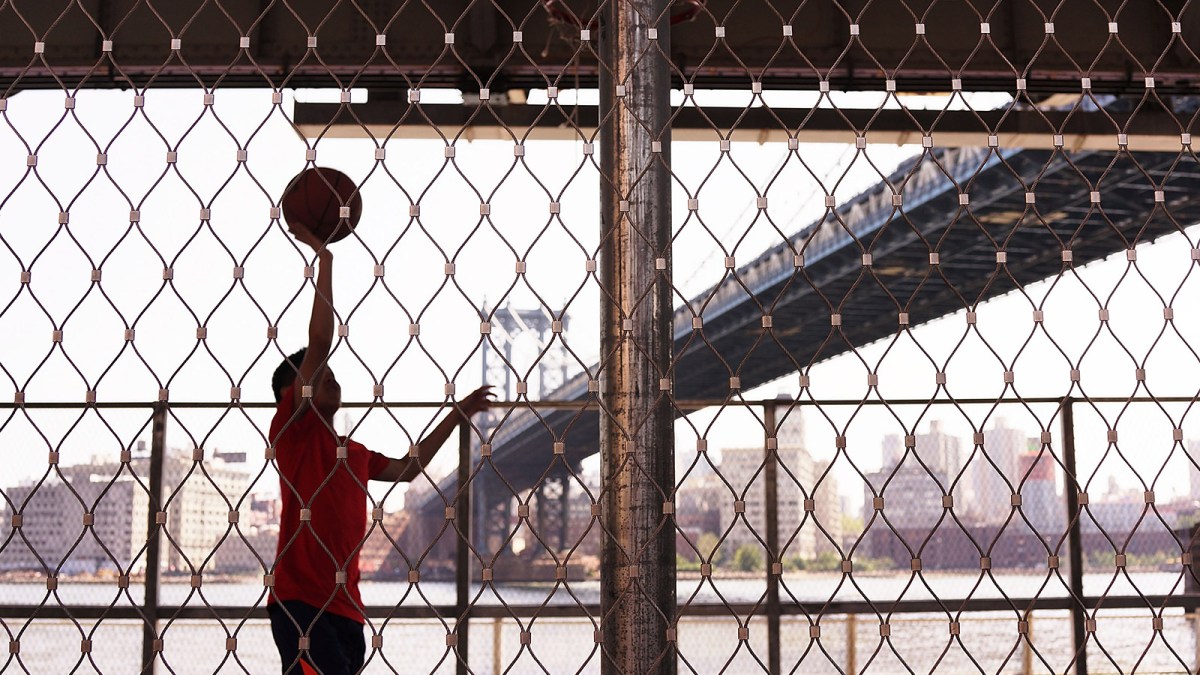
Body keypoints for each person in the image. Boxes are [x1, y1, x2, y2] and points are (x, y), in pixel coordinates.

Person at [267, 220, 493, 675]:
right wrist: (325, 260)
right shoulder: (292, 436)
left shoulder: (354, 452)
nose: (327, 375)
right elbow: (319, 343)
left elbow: (410, 469)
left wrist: (457, 414)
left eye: (330, 373)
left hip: (349, 611)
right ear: (292, 394)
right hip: (300, 605)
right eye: (313, 374)